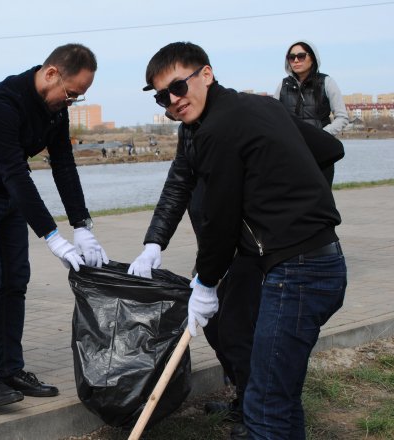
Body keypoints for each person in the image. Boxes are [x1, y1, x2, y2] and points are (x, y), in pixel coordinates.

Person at [139, 41, 346, 439]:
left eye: (178, 87)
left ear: (206, 74)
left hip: (298, 269)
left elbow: (221, 218)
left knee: (267, 405)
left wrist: (205, 282)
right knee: (275, 398)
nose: (173, 102)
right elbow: (328, 147)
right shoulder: (259, 107)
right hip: (310, 260)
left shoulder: (219, 128)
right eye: (163, 96)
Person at [0, 43, 109, 410]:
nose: (71, 102)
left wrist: (82, 225)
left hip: (7, 195)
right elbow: (14, 172)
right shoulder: (3, 103)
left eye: (78, 98)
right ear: (51, 74)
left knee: (15, 281)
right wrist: (51, 235)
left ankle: (10, 370)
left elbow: (64, 166)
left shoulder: (55, 110)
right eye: (71, 93)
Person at [274, 40, 348, 184]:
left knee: (322, 200)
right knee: (293, 199)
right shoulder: (283, 85)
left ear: (312, 58)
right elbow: (274, 118)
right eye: (291, 57)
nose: (296, 60)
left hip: (320, 152)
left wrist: (320, 136)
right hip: (293, 152)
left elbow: (342, 117)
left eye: (301, 56)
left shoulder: (327, 82)